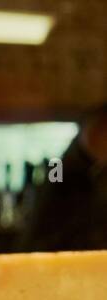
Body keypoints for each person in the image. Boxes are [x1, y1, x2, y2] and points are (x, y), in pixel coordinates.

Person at [20, 103, 107, 251]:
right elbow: (42, 217)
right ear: (94, 130)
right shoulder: (59, 167)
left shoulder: (95, 169)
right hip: (56, 258)